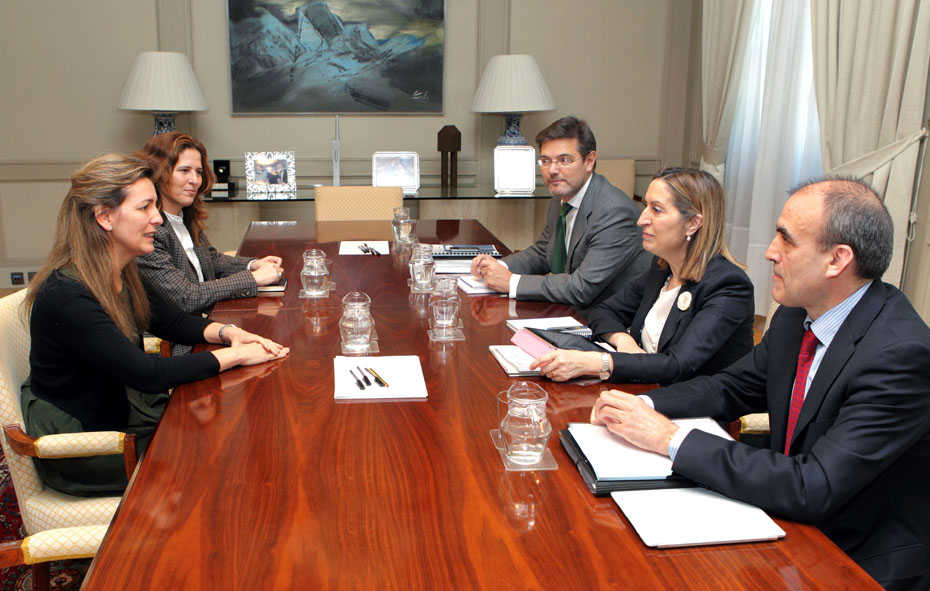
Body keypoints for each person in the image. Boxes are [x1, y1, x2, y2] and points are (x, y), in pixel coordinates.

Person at [590, 179, 930, 591]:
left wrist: (669, 439)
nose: (770, 251)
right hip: (789, 518)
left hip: (855, 557)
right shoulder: (795, 315)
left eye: (786, 240)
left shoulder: (900, 354)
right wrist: (643, 407)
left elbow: (814, 485)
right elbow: (730, 388)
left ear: (837, 259)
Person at [22, 154, 289, 496]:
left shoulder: (123, 269)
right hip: (88, 444)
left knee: (231, 437)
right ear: (104, 217)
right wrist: (235, 356)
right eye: (145, 207)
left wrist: (230, 333)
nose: (158, 219)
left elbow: (172, 322)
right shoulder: (68, 295)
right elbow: (147, 374)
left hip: (121, 412)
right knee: (226, 457)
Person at [532, 168, 753, 385]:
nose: (641, 220)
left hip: (694, 404)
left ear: (693, 223)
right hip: (642, 390)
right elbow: (603, 311)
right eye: (645, 206)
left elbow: (678, 365)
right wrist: (623, 340)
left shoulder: (728, 286)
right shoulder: (662, 269)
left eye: (656, 210)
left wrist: (599, 362)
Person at [470, 116, 650, 311]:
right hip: (568, 310)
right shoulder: (561, 198)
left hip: (606, 318)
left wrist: (512, 282)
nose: (553, 170)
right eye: (545, 161)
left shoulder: (614, 212)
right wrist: (498, 267)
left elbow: (582, 287)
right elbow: (543, 252)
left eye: (564, 160)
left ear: (589, 161)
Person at [135, 132, 283, 321]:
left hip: (209, 319)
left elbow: (210, 260)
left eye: (198, 172)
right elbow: (186, 297)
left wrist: (253, 264)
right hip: (183, 333)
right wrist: (253, 278)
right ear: (159, 173)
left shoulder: (184, 216)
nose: (195, 180)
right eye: (184, 170)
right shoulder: (149, 231)